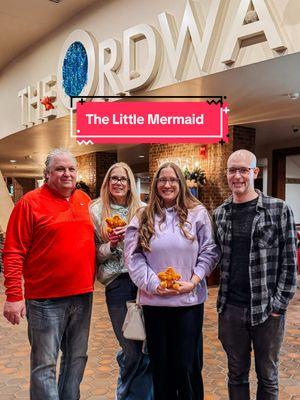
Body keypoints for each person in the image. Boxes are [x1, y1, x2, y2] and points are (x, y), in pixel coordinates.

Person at [2, 149, 95, 400]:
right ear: (47, 174)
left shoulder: (85, 200)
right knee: (44, 365)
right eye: (60, 169)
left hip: (83, 296)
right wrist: (13, 295)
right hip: (45, 301)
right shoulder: (29, 203)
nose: (67, 174)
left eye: (71, 169)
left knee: (76, 359)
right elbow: (12, 252)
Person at [124, 162, 219, 400]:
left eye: (173, 180)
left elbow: (209, 251)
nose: (167, 184)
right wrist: (154, 284)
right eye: (162, 180)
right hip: (154, 304)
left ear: (181, 184)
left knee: (187, 367)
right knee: (161, 368)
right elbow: (133, 257)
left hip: (189, 302)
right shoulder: (142, 215)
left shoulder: (198, 213)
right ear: (155, 184)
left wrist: (194, 281)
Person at [214, 149, 297, 400]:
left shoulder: (279, 209)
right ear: (226, 174)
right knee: (236, 374)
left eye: (243, 170)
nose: (237, 176)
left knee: (267, 377)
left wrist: (278, 305)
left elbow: (289, 263)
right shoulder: (219, 214)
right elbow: (212, 256)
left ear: (255, 172)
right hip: (231, 310)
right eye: (232, 170)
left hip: (266, 310)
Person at [89, 162, 153, 400]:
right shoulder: (95, 211)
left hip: (143, 283)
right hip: (117, 284)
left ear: (130, 184)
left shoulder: (144, 210)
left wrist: (134, 238)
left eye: (123, 179)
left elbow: (154, 246)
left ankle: (144, 395)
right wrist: (113, 244)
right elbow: (94, 253)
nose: (118, 183)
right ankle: (125, 393)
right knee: (130, 348)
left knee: (148, 346)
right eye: (114, 178)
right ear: (107, 182)